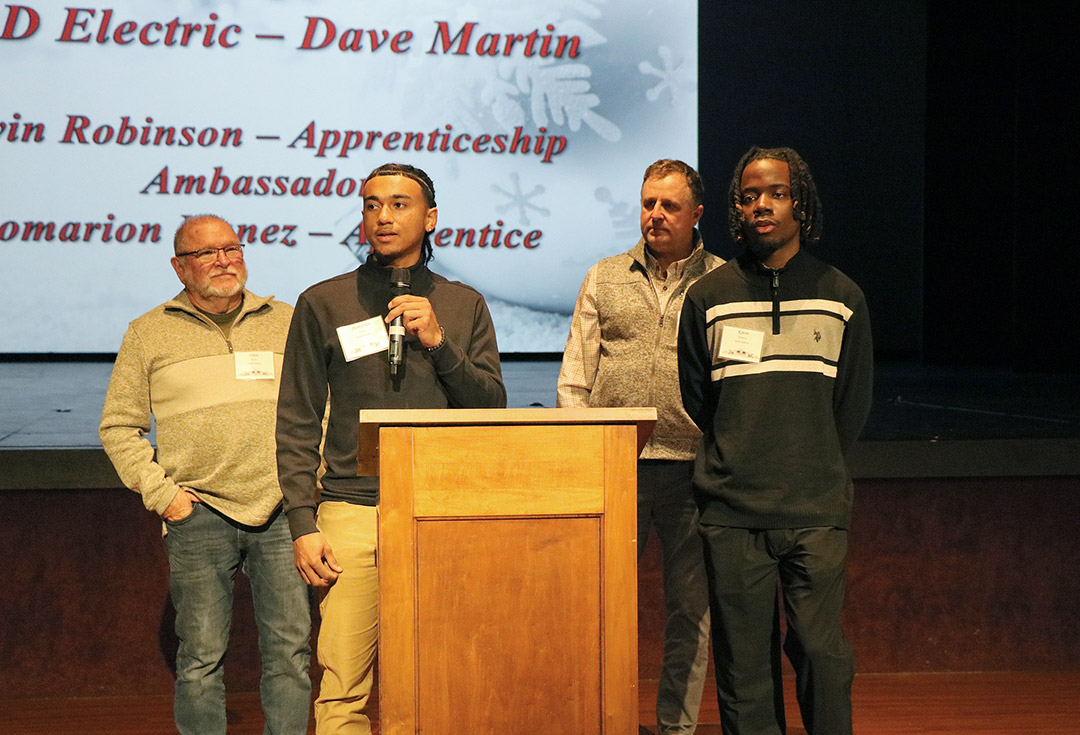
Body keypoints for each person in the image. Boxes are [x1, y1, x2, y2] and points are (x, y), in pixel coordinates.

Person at [276, 162, 506, 735]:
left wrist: (439, 344)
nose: (384, 215)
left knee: (433, 678)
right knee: (342, 686)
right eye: (372, 204)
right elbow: (297, 419)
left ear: (429, 218)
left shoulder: (462, 304)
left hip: (440, 511)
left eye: (400, 204)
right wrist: (303, 521)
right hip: (351, 511)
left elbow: (490, 407)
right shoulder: (323, 302)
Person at [678, 147, 873, 735]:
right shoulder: (708, 297)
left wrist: (807, 460)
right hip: (733, 510)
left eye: (776, 193)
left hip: (814, 508)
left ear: (800, 203)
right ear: (737, 208)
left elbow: (851, 407)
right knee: (743, 668)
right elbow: (698, 399)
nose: (761, 205)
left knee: (820, 652)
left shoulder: (843, 297)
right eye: (748, 195)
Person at [99, 215, 312, 735]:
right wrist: (165, 497)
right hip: (199, 517)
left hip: (283, 514)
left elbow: (318, 409)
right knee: (199, 659)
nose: (224, 260)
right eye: (207, 253)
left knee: (291, 654)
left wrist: (311, 485)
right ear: (179, 267)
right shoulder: (148, 332)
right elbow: (118, 426)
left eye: (232, 248)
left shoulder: (287, 320)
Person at [558, 159, 720, 735]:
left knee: (690, 612)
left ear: (696, 214)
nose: (654, 215)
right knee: (597, 607)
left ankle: (675, 728)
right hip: (614, 466)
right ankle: (599, 721)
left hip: (693, 472)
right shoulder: (605, 275)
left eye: (669, 206)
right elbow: (576, 374)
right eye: (648, 203)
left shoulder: (724, 280)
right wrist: (579, 456)